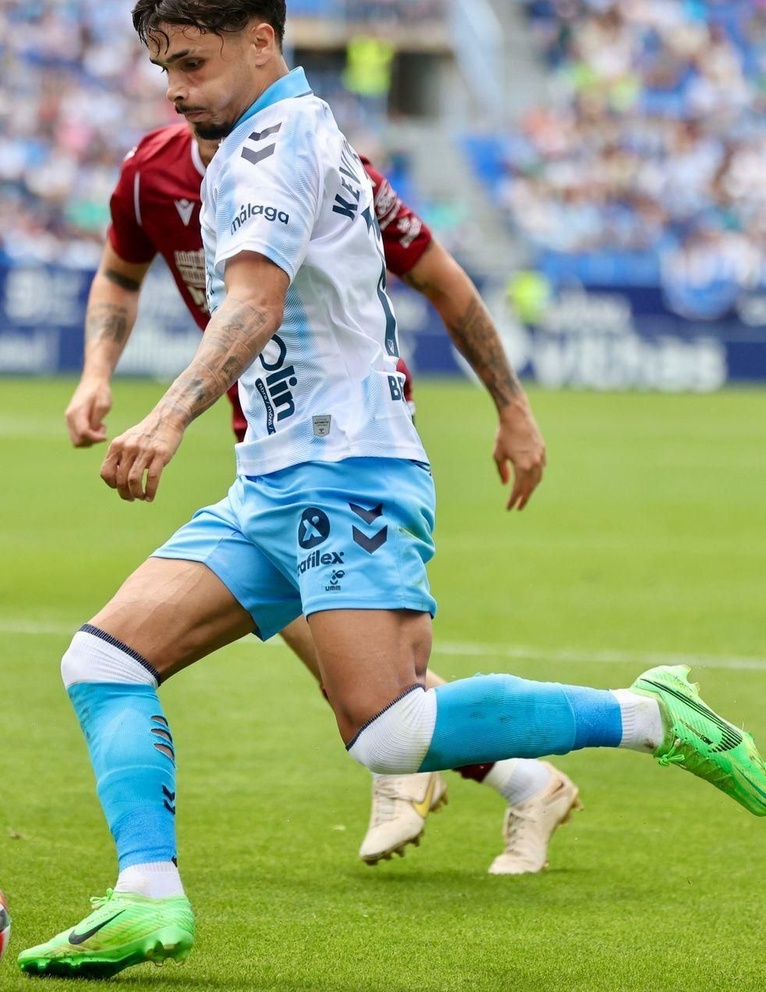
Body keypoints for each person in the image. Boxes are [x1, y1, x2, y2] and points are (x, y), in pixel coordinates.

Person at [19, 0, 766, 980]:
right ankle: (148, 897)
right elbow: (146, 274)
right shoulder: (234, 142)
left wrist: (164, 418)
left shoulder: (273, 145)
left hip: (347, 469)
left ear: (260, 42)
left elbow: (256, 300)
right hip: (276, 478)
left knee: (386, 734)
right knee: (102, 660)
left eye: (190, 64)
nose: (174, 87)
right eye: (163, 68)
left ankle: (648, 713)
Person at [64, 119, 578, 874]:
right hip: (264, 450)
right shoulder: (150, 171)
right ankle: (518, 775)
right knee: (343, 666)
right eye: (170, 63)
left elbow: (438, 275)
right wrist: (96, 370)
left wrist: (513, 406)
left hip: (347, 443)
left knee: (348, 666)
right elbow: (118, 269)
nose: (182, 83)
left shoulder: (321, 164)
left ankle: (507, 762)